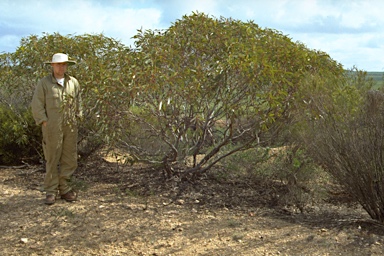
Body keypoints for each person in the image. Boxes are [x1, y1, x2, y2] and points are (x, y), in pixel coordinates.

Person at [31, 53, 82, 205]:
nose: (61, 67)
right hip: (52, 127)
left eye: (64, 64)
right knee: (52, 158)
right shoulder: (44, 83)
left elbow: (78, 100)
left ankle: (65, 189)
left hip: (70, 126)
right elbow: (37, 104)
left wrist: (78, 115)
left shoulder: (73, 82)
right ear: (52, 66)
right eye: (58, 64)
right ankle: (51, 191)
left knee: (69, 158)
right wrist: (44, 121)